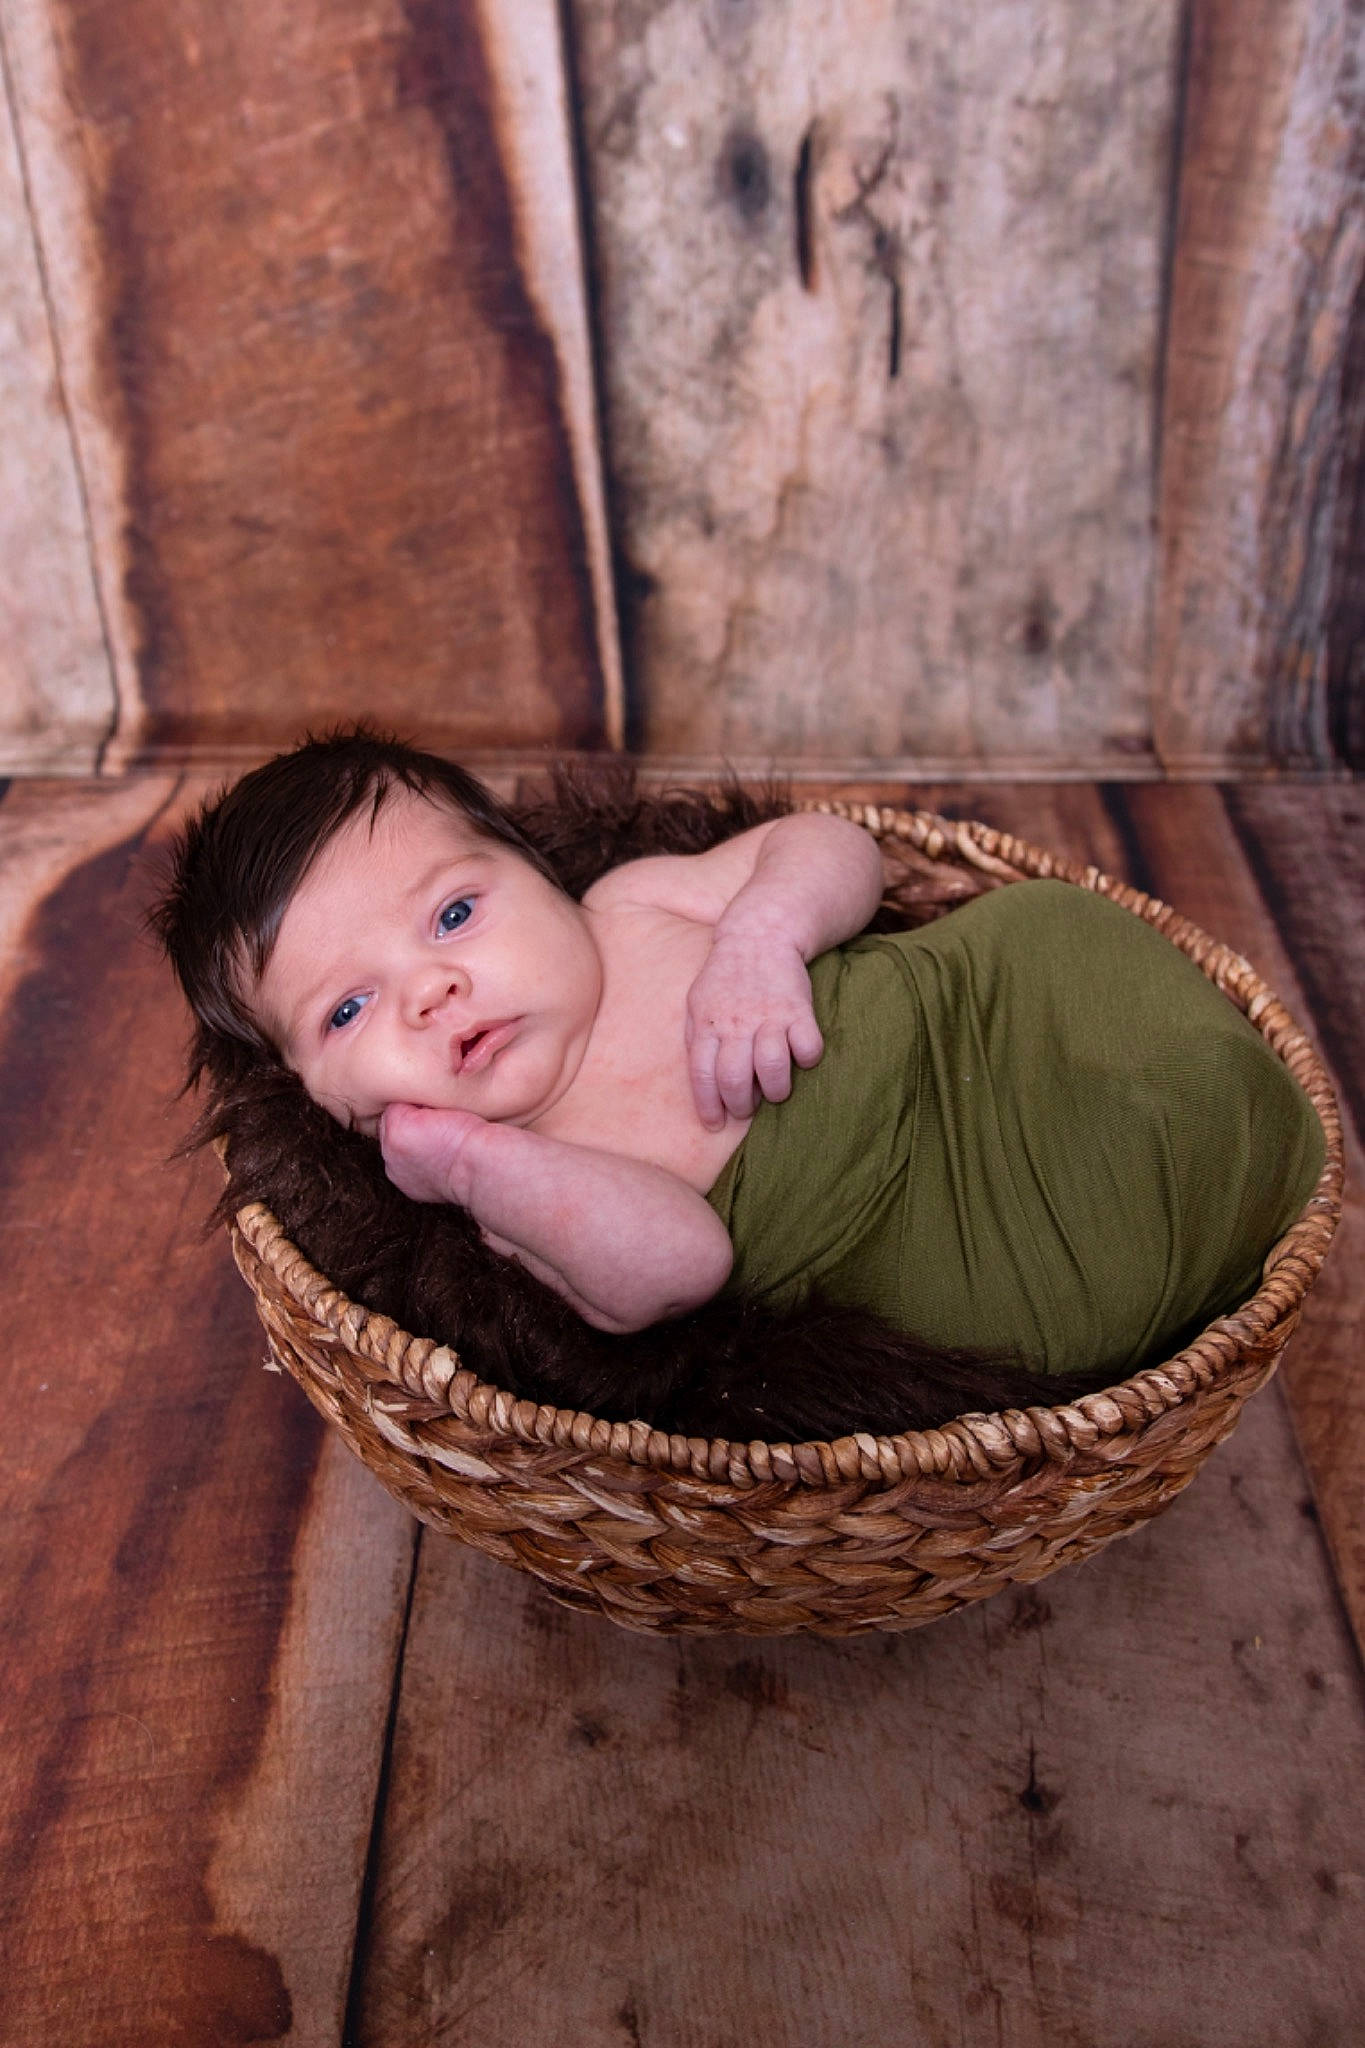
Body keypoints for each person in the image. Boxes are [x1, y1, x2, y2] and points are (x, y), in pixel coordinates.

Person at [156, 730, 1324, 1413]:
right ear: (317, 1094)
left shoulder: (633, 901)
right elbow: (679, 1263)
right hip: (938, 1224)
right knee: (1060, 1295)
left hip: (964, 1025)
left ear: (541, 872)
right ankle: (1179, 1177)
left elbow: (832, 848)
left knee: (1054, 929)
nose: (430, 989)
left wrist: (766, 936)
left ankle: (1193, 1095)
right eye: (349, 1006)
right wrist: (469, 1164)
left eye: (456, 911)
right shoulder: (524, 1178)